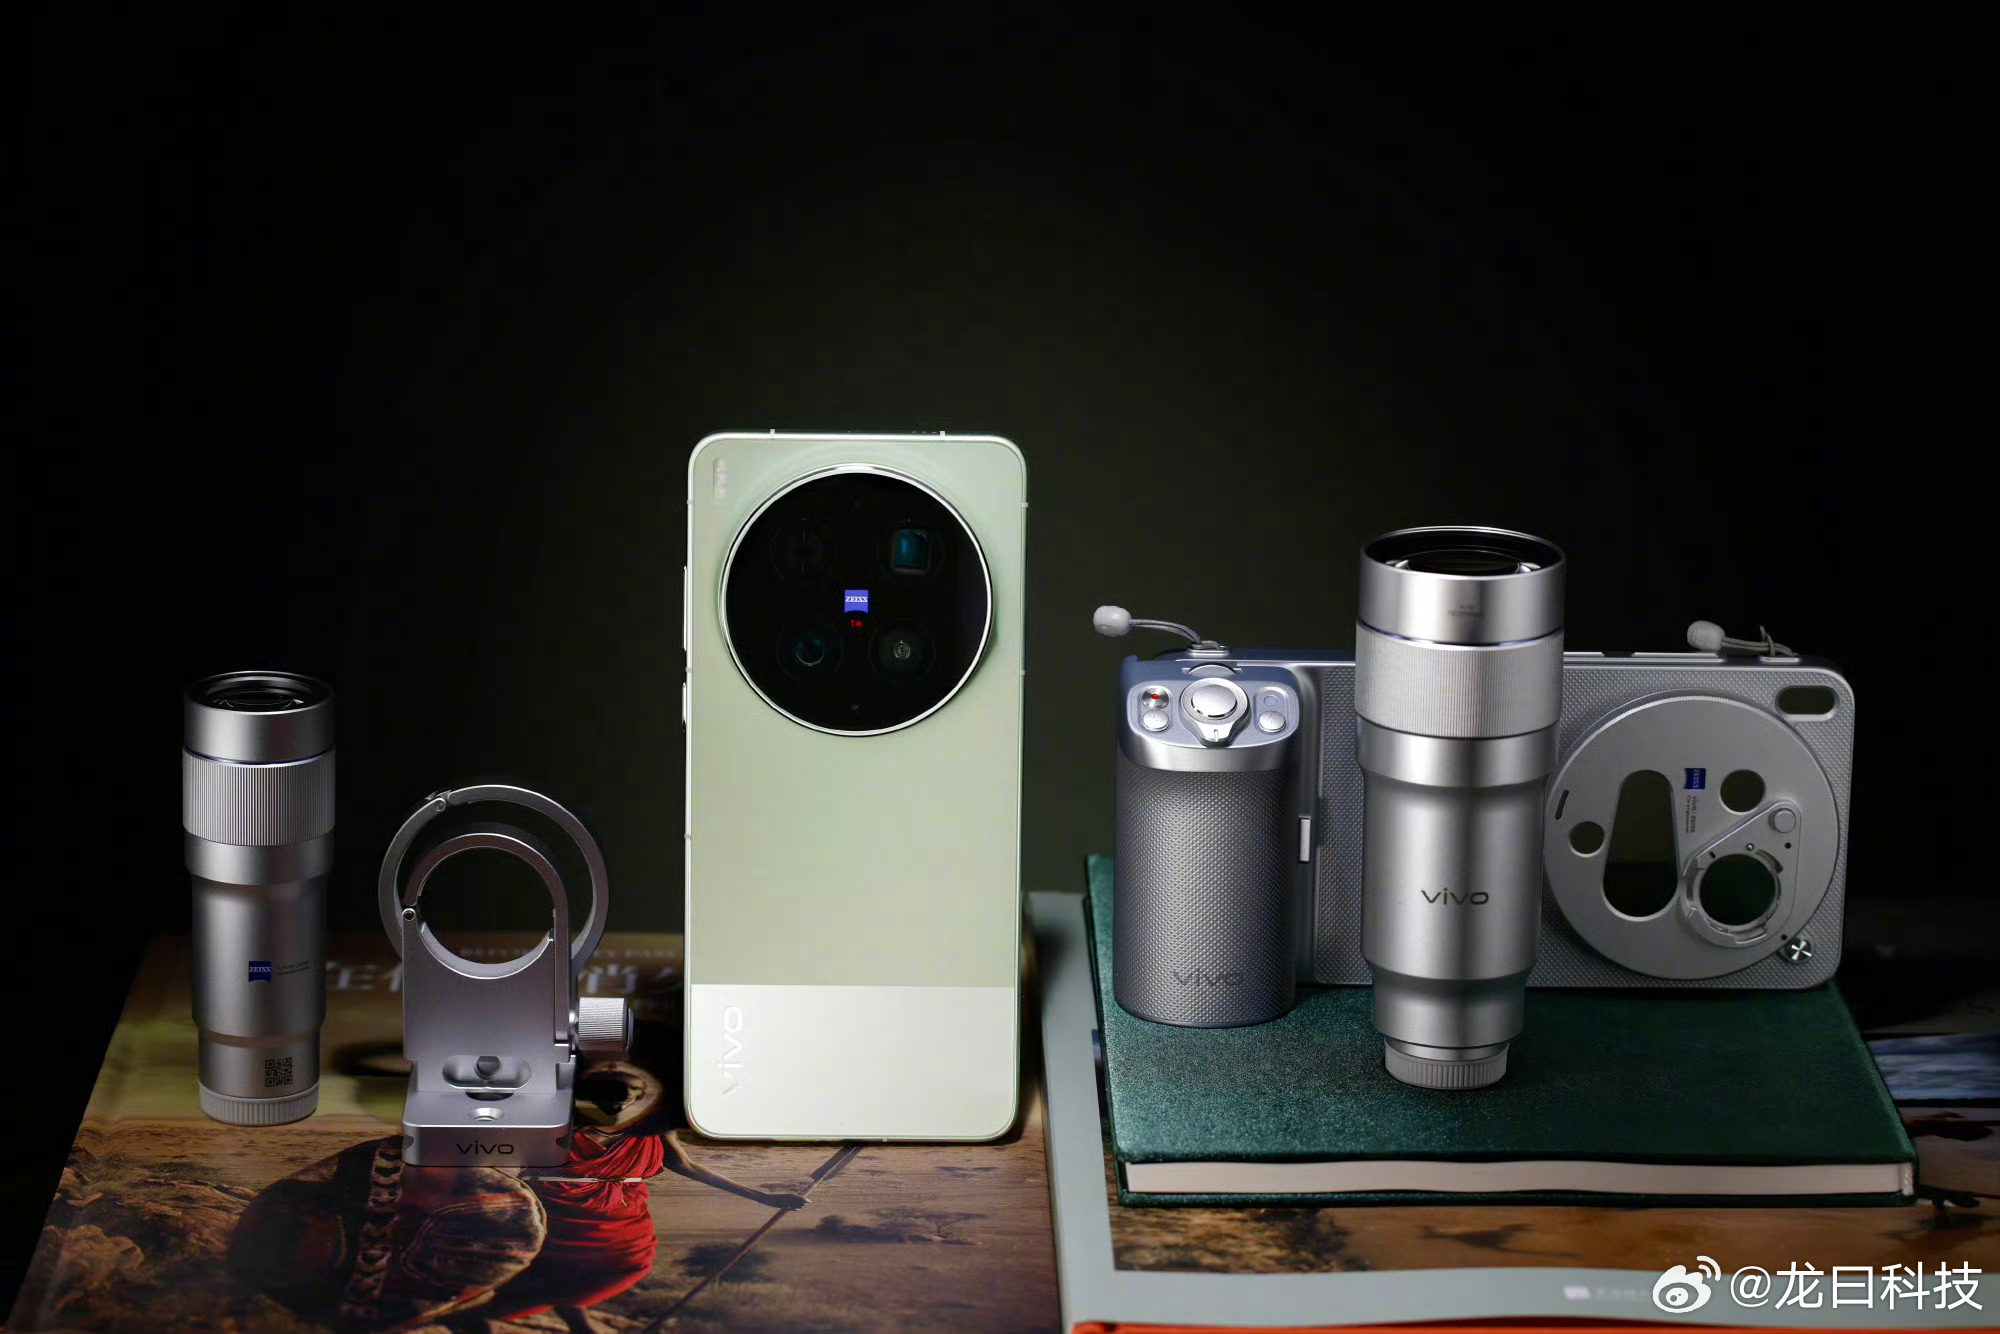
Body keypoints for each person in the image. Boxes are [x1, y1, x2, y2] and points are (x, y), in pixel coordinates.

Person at [458, 1060, 808, 1331]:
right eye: (607, 1095)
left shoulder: (652, 1125)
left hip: (625, 1213)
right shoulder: (555, 1122)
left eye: (627, 1095)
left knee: (628, 1267)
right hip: (561, 1209)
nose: (618, 1103)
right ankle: (489, 1316)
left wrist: (763, 1197)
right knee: (557, 1269)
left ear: (640, 1095)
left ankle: (551, 1315)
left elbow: (685, 1164)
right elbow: (503, 1164)